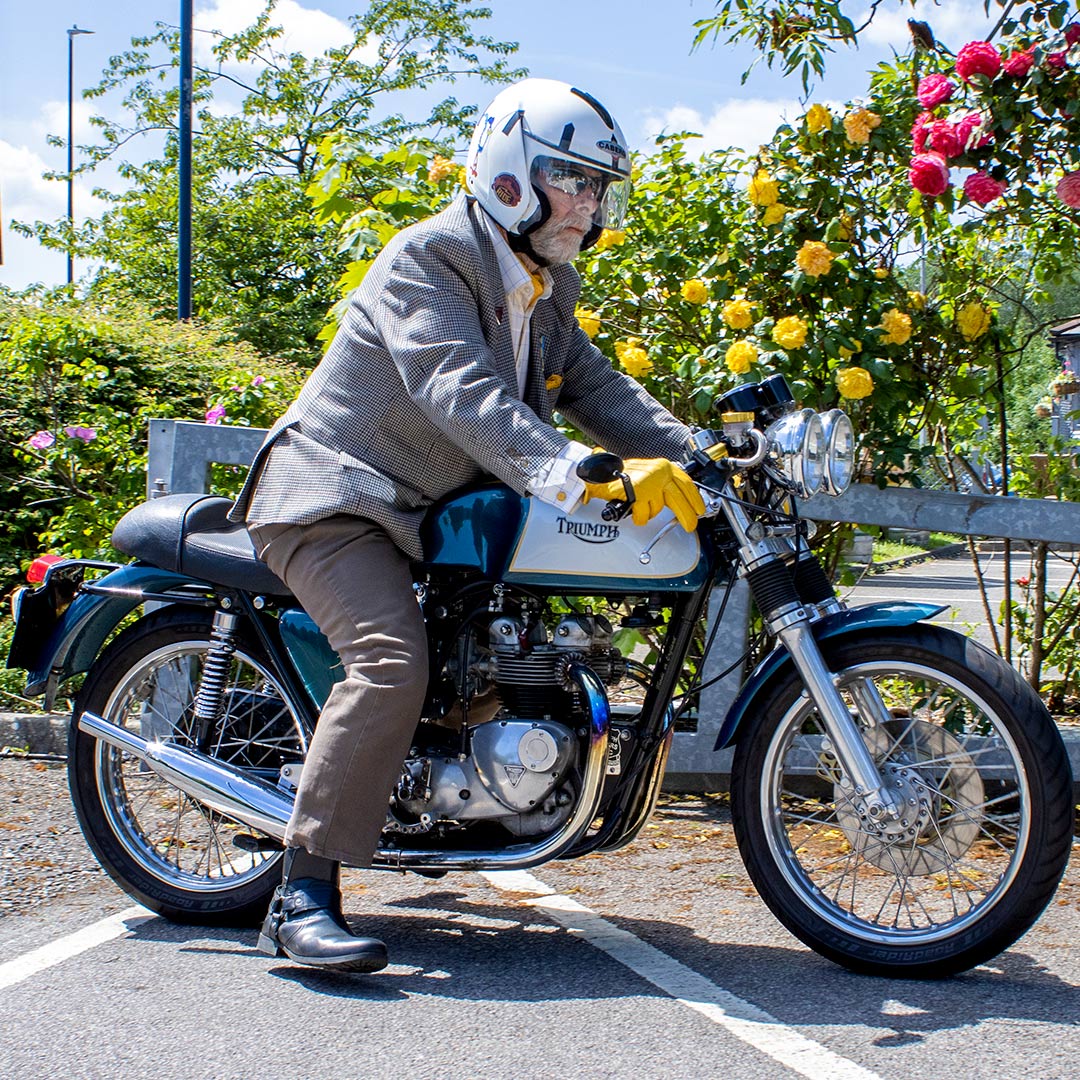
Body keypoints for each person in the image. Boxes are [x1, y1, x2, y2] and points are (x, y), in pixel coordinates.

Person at [230, 77, 705, 973]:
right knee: (391, 660)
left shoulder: (544, 287)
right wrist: (561, 470)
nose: (591, 204)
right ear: (513, 174)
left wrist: (700, 456)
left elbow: (599, 389)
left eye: (602, 187)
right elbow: (457, 388)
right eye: (576, 180)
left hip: (419, 515)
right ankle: (301, 896)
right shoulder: (432, 256)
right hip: (337, 495)